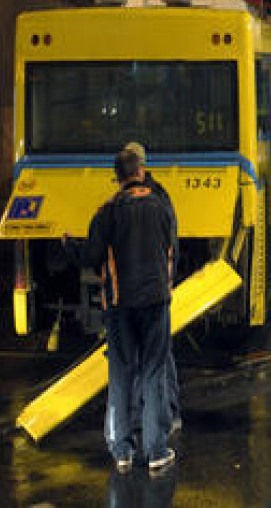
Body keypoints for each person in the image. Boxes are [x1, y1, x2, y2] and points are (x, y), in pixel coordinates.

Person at [67, 149, 176, 473]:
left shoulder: (108, 212)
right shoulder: (162, 208)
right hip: (157, 302)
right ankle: (157, 451)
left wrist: (70, 247)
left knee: (121, 374)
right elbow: (172, 250)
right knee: (154, 373)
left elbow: (91, 256)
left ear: (117, 177)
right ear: (141, 172)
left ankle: (122, 451)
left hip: (120, 304)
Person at [122, 141, 181, 433]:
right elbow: (173, 241)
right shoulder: (161, 198)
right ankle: (168, 413)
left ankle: (142, 417)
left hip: (133, 289)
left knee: (141, 356)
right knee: (160, 354)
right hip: (157, 287)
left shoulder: (123, 201)